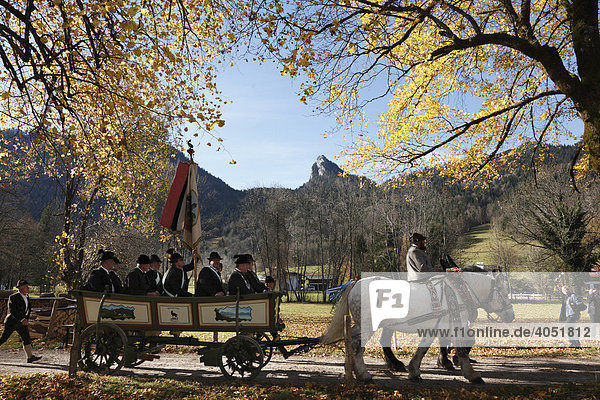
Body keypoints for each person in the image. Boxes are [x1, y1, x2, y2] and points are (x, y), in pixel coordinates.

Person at [0, 280, 42, 363]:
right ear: (21, 288)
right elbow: (13, 311)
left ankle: (30, 357)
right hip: (12, 322)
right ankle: (30, 357)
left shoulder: (27, 296)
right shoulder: (13, 297)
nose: (28, 288)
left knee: (26, 338)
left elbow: (27, 310)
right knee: (3, 339)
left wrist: (26, 319)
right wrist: (22, 319)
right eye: (26, 286)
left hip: (22, 323)